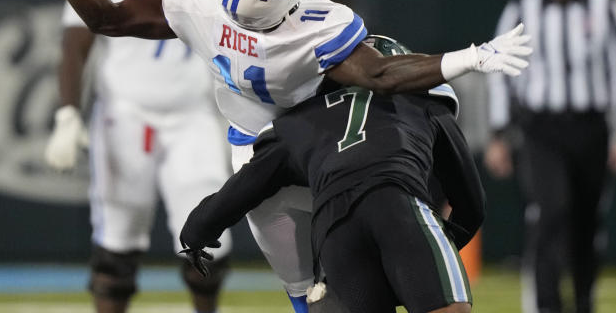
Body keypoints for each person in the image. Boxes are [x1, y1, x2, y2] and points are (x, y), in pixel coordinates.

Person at [14, 0, 532, 312]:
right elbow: (106, 19)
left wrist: (466, 58)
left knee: (356, 258)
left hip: (323, 148)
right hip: (262, 152)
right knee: (304, 288)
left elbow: (378, 74)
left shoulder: (305, 19)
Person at [180, 35, 485, 313]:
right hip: (399, 205)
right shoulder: (426, 104)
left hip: (334, 230)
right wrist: (429, 253)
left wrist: (196, 232)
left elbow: (244, 186)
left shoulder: (300, 122)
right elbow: (471, 205)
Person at [46, 0, 232, 313]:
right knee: (116, 247)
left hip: (195, 115)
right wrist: (67, 111)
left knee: (209, 245)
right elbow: (76, 41)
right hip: (125, 112)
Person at [484, 0, 616, 313]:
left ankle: (585, 301)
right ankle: (546, 305)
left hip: (591, 127)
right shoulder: (521, 9)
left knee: (587, 223)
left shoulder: (607, 5)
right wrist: (499, 133)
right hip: (541, 129)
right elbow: (500, 71)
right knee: (550, 212)